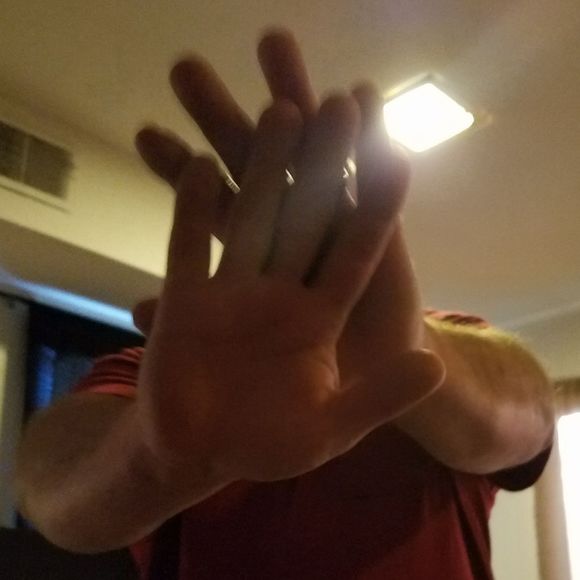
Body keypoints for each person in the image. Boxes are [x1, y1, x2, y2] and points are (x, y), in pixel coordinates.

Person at [14, 29, 554, 580]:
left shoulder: (451, 339)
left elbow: (528, 421)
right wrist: (153, 459)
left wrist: (415, 347)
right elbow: (50, 490)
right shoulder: (155, 378)